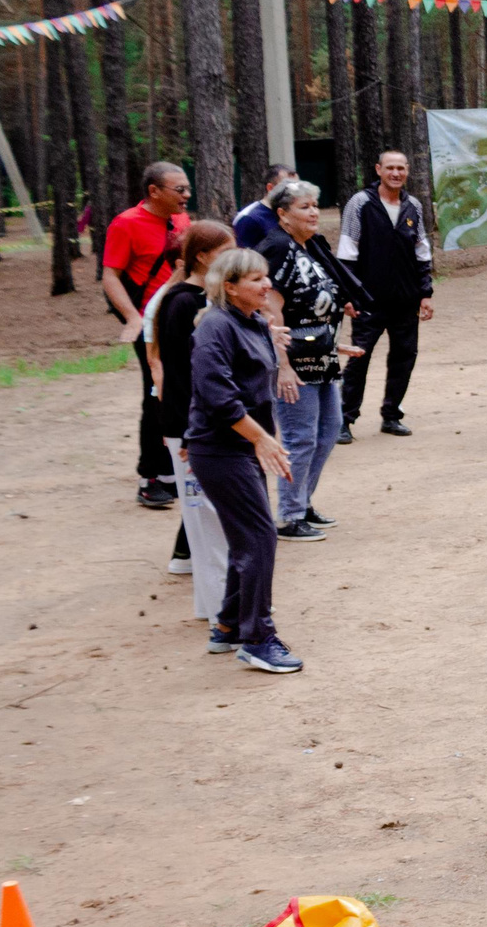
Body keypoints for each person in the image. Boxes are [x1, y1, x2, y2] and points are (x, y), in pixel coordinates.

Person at [188, 245, 303, 673]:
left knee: (247, 538)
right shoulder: (214, 327)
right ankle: (258, 638)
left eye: (266, 276)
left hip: (244, 446)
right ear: (230, 287)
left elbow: (261, 369)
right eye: (255, 279)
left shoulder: (254, 321)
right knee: (259, 538)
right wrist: (264, 441)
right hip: (221, 449)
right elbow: (218, 398)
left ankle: (230, 625)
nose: (266, 284)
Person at [255, 179, 369, 542]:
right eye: (304, 207)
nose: (314, 212)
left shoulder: (309, 247)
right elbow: (271, 313)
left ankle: (302, 502)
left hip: (321, 355)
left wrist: (335, 346)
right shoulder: (276, 249)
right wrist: (282, 366)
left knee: (330, 429)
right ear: (283, 214)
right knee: (300, 436)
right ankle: (289, 515)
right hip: (293, 362)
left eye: (315, 206)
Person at [148, 223, 237, 618]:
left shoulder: (209, 299)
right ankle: (222, 612)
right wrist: (189, 433)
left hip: (201, 427)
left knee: (211, 521)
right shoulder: (182, 303)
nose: (234, 258)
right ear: (201, 255)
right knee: (207, 523)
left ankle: (213, 607)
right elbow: (180, 375)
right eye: (226, 250)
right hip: (189, 429)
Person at [103, 162, 194, 509]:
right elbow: (110, 276)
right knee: (156, 392)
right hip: (150, 322)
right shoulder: (125, 224)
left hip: (181, 316)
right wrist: (132, 318)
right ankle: (150, 476)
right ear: (154, 191)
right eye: (180, 190)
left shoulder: (182, 220)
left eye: (187, 188)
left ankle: (173, 471)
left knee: (180, 390)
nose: (187, 195)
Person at [335, 150, 435, 439]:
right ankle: (344, 419)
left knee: (405, 356)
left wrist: (425, 293)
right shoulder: (360, 203)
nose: (396, 173)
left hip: (406, 299)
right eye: (390, 167)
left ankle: (391, 415)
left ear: (407, 171)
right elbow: (347, 254)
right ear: (378, 169)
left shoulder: (412, 205)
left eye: (401, 168)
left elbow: (422, 252)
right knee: (359, 357)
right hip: (369, 300)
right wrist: (349, 295)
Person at [231, 162, 293, 250]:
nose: (294, 193)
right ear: (270, 188)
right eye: (288, 188)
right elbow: (243, 258)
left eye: (297, 188)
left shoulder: (292, 214)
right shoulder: (249, 218)